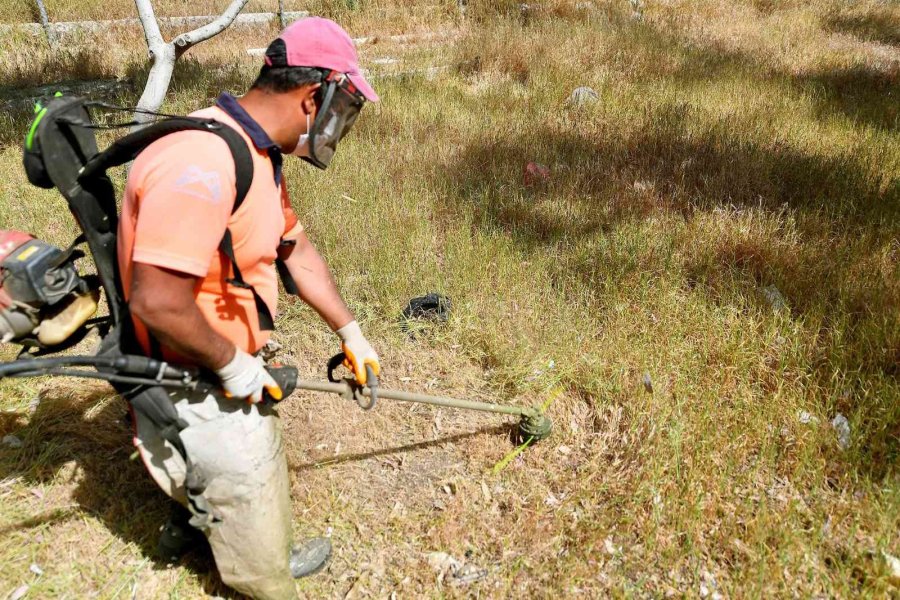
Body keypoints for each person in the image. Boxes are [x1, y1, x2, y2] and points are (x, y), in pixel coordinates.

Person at [116, 17, 381, 600]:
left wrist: (351, 330)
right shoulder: (204, 161)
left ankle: (190, 522)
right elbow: (156, 299)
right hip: (192, 376)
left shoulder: (255, 153)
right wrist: (234, 364)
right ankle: (261, 572)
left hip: (217, 361)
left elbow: (297, 249)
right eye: (341, 110)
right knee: (264, 555)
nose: (340, 126)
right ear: (315, 97)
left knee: (249, 468)